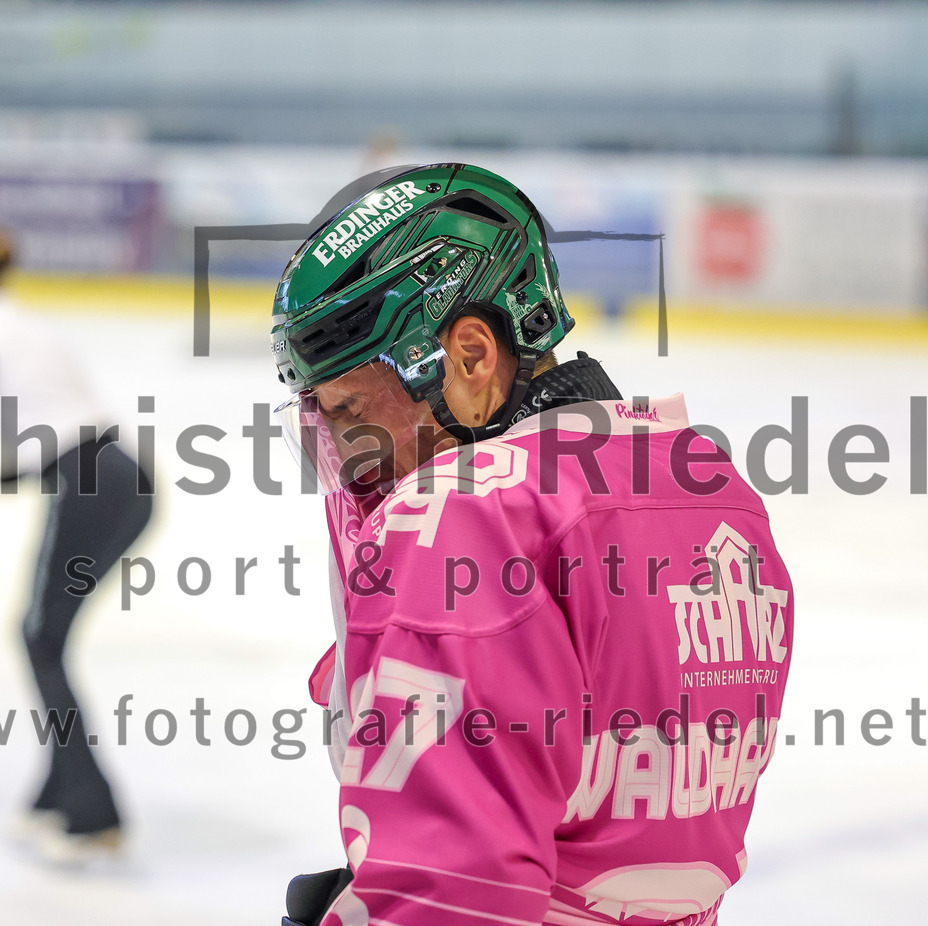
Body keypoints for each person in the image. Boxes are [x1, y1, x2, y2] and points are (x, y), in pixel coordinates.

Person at [271, 163, 793, 926]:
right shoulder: (713, 488)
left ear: (472, 356)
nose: (351, 461)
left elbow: (452, 886)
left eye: (349, 409)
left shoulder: (470, 513)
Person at [0, 219, 153, 865]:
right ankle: (55, 793)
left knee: (40, 639)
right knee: (46, 636)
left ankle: (92, 814)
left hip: (92, 486)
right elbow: (65, 437)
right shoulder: (27, 323)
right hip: (126, 478)